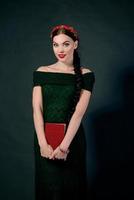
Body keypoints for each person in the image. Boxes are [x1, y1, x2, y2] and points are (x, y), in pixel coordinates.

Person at [32, 24, 95, 200]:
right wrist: (42, 144)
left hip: (72, 141)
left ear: (75, 44)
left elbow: (78, 113)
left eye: (66, 44)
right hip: (45, 142)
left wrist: (64, 146)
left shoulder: (86, 74)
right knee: (48, 190)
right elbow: (37, 110)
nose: (60, 49)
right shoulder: (41, 72)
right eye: (55, 44)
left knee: (71, 191)